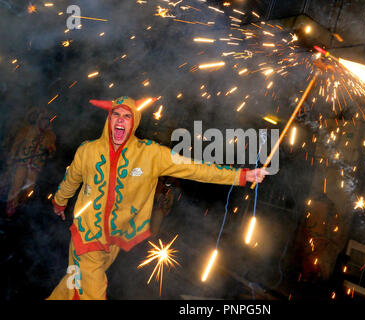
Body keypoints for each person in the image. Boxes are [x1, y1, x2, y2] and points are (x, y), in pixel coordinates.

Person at [47, 96, 268, 300]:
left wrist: (242, 175)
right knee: (92, 289)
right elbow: (71, 180)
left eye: (127, 115)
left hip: (114, 239)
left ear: (134, 122)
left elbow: (195, 168)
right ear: (109, 118)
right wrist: (59, 201)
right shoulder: (87, 151)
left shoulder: (151, 154)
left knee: (74, 282)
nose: (120, 120)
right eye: (116, 114)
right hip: (85, 236)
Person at [5, 108, 56, 217]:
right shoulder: (28, 130)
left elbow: (52, 150)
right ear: (39, 120)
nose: (45, 123)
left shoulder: (50, 136)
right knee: (17, 184)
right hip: (23, 161)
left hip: (36, 166)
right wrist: (12, 157)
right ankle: (10, 207)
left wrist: (49, 151)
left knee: (29, 189)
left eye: (47, 121)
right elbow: (17, 143)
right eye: (43, 120)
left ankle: (20, 205)